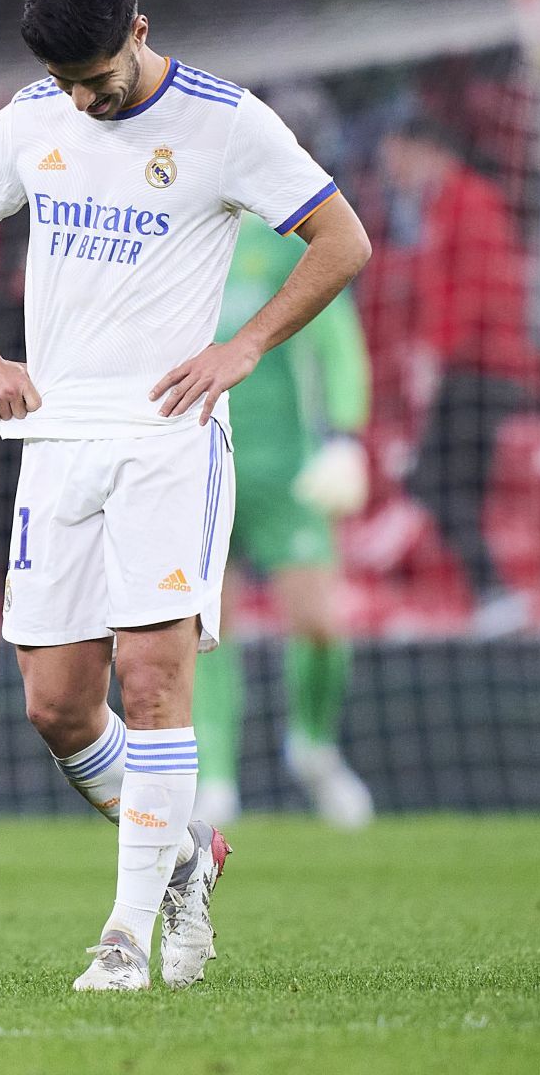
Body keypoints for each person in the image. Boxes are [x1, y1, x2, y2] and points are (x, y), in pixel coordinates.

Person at [0, 0, 372, 991]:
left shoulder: (227, 122)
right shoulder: (33, 118)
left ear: (140, 30)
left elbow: (342, 240)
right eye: (69, 83)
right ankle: (187, 848)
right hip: (56, 441)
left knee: (156, 677)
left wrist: (243, 346)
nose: (83, 100)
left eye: (98, 78)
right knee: (58, 706)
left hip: (169, 439)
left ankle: (125, 935)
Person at [192, 219, 374, 830]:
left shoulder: (291, 244)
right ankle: (216, 780)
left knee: (319, 624)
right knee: (208, 631)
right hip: (196, 466)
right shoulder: (179, 231)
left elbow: (337, 342)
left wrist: (346, 436)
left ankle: (314, 748)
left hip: (285, 472)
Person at [375, 115, 540, 635]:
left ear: (424, 149)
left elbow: (473, 290)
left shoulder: (471, 202)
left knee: (435, 479)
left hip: (483, 372)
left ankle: (497, 593)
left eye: (396, 160)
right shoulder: (443, 206)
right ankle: (493, 598)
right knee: (443, 484)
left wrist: (434, 353)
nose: (393, 174)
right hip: (467, 369)